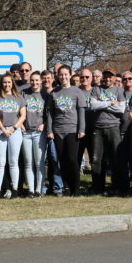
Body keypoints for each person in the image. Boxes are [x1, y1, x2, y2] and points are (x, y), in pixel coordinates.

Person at [45, 65, 86, 197]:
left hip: (73, 130)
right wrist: (50, 131)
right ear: (58, 76)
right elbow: (50, 113)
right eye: (61, 74)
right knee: (61, 160)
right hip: (58, 131)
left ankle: (76, 188)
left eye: (65, 74)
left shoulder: (77, 91)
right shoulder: (54, 93)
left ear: (70, 75)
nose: (63, 77)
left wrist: (81, 129)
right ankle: (66, 187)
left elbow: (81, 111)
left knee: (72, 159)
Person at [0, 73, 26, 198]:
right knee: (0, 162)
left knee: (13, 161)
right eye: (4, 82)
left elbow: (23, 116)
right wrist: (3, 129)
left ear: (12, 83)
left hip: (15, 131)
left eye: (9, 82)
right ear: (1, 84)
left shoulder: (19, 98)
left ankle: (14, 189)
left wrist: (14, 128)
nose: (7, 84)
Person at [21, 71, 49, 198]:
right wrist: (21, 124)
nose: (34, 82)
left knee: (39, 163)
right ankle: (31, 190)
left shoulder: (46, 95)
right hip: (26, 133)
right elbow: (18, 110)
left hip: (39, 133)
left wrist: (44, 123)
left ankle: (39, 189)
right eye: (32, 80)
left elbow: (50, 114)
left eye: (37, 80)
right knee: (28, 162)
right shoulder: (24, 93)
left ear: (41, 81)